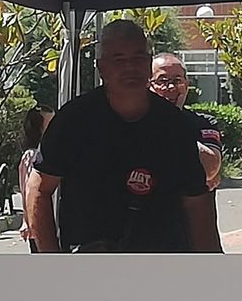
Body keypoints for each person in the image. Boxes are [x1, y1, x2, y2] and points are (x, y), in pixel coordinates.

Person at [27, 20, 221, 252]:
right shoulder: (73, 120)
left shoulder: (174, 125)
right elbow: (39, 187)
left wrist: (211, 263)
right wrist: (51, 259)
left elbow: (197, 203)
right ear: (101, 67)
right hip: (90, 259)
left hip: (161, 259)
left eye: (138, 58)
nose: (130, 67)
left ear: (148, 63)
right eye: (119, 59)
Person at [149, 53, 224, 189]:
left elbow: (210, 169)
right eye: (162, 81)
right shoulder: (134, 121)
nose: (171, 87)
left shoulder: (204, 123)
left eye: (177, 80)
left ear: (187, 85)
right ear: (148, 85)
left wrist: (174, 121)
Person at [17, 105, 54, 252]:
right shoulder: (32, 156)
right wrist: (26, 221)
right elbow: (28, 191)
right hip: (39, 224)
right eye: (50, 125)